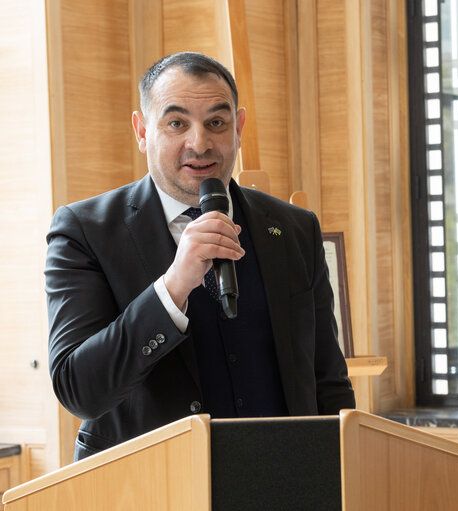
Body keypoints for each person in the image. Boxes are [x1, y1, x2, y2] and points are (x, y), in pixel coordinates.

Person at [45, 52, 355, 461]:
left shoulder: (295, 228)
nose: (200, 142)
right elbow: (78, 389)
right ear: (142, 131)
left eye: (216, 122)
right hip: (148, 486)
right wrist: (174, 286)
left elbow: (327, 380)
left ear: (238, 127)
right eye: (176, 123)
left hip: (281, 480)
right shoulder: (84, 231)